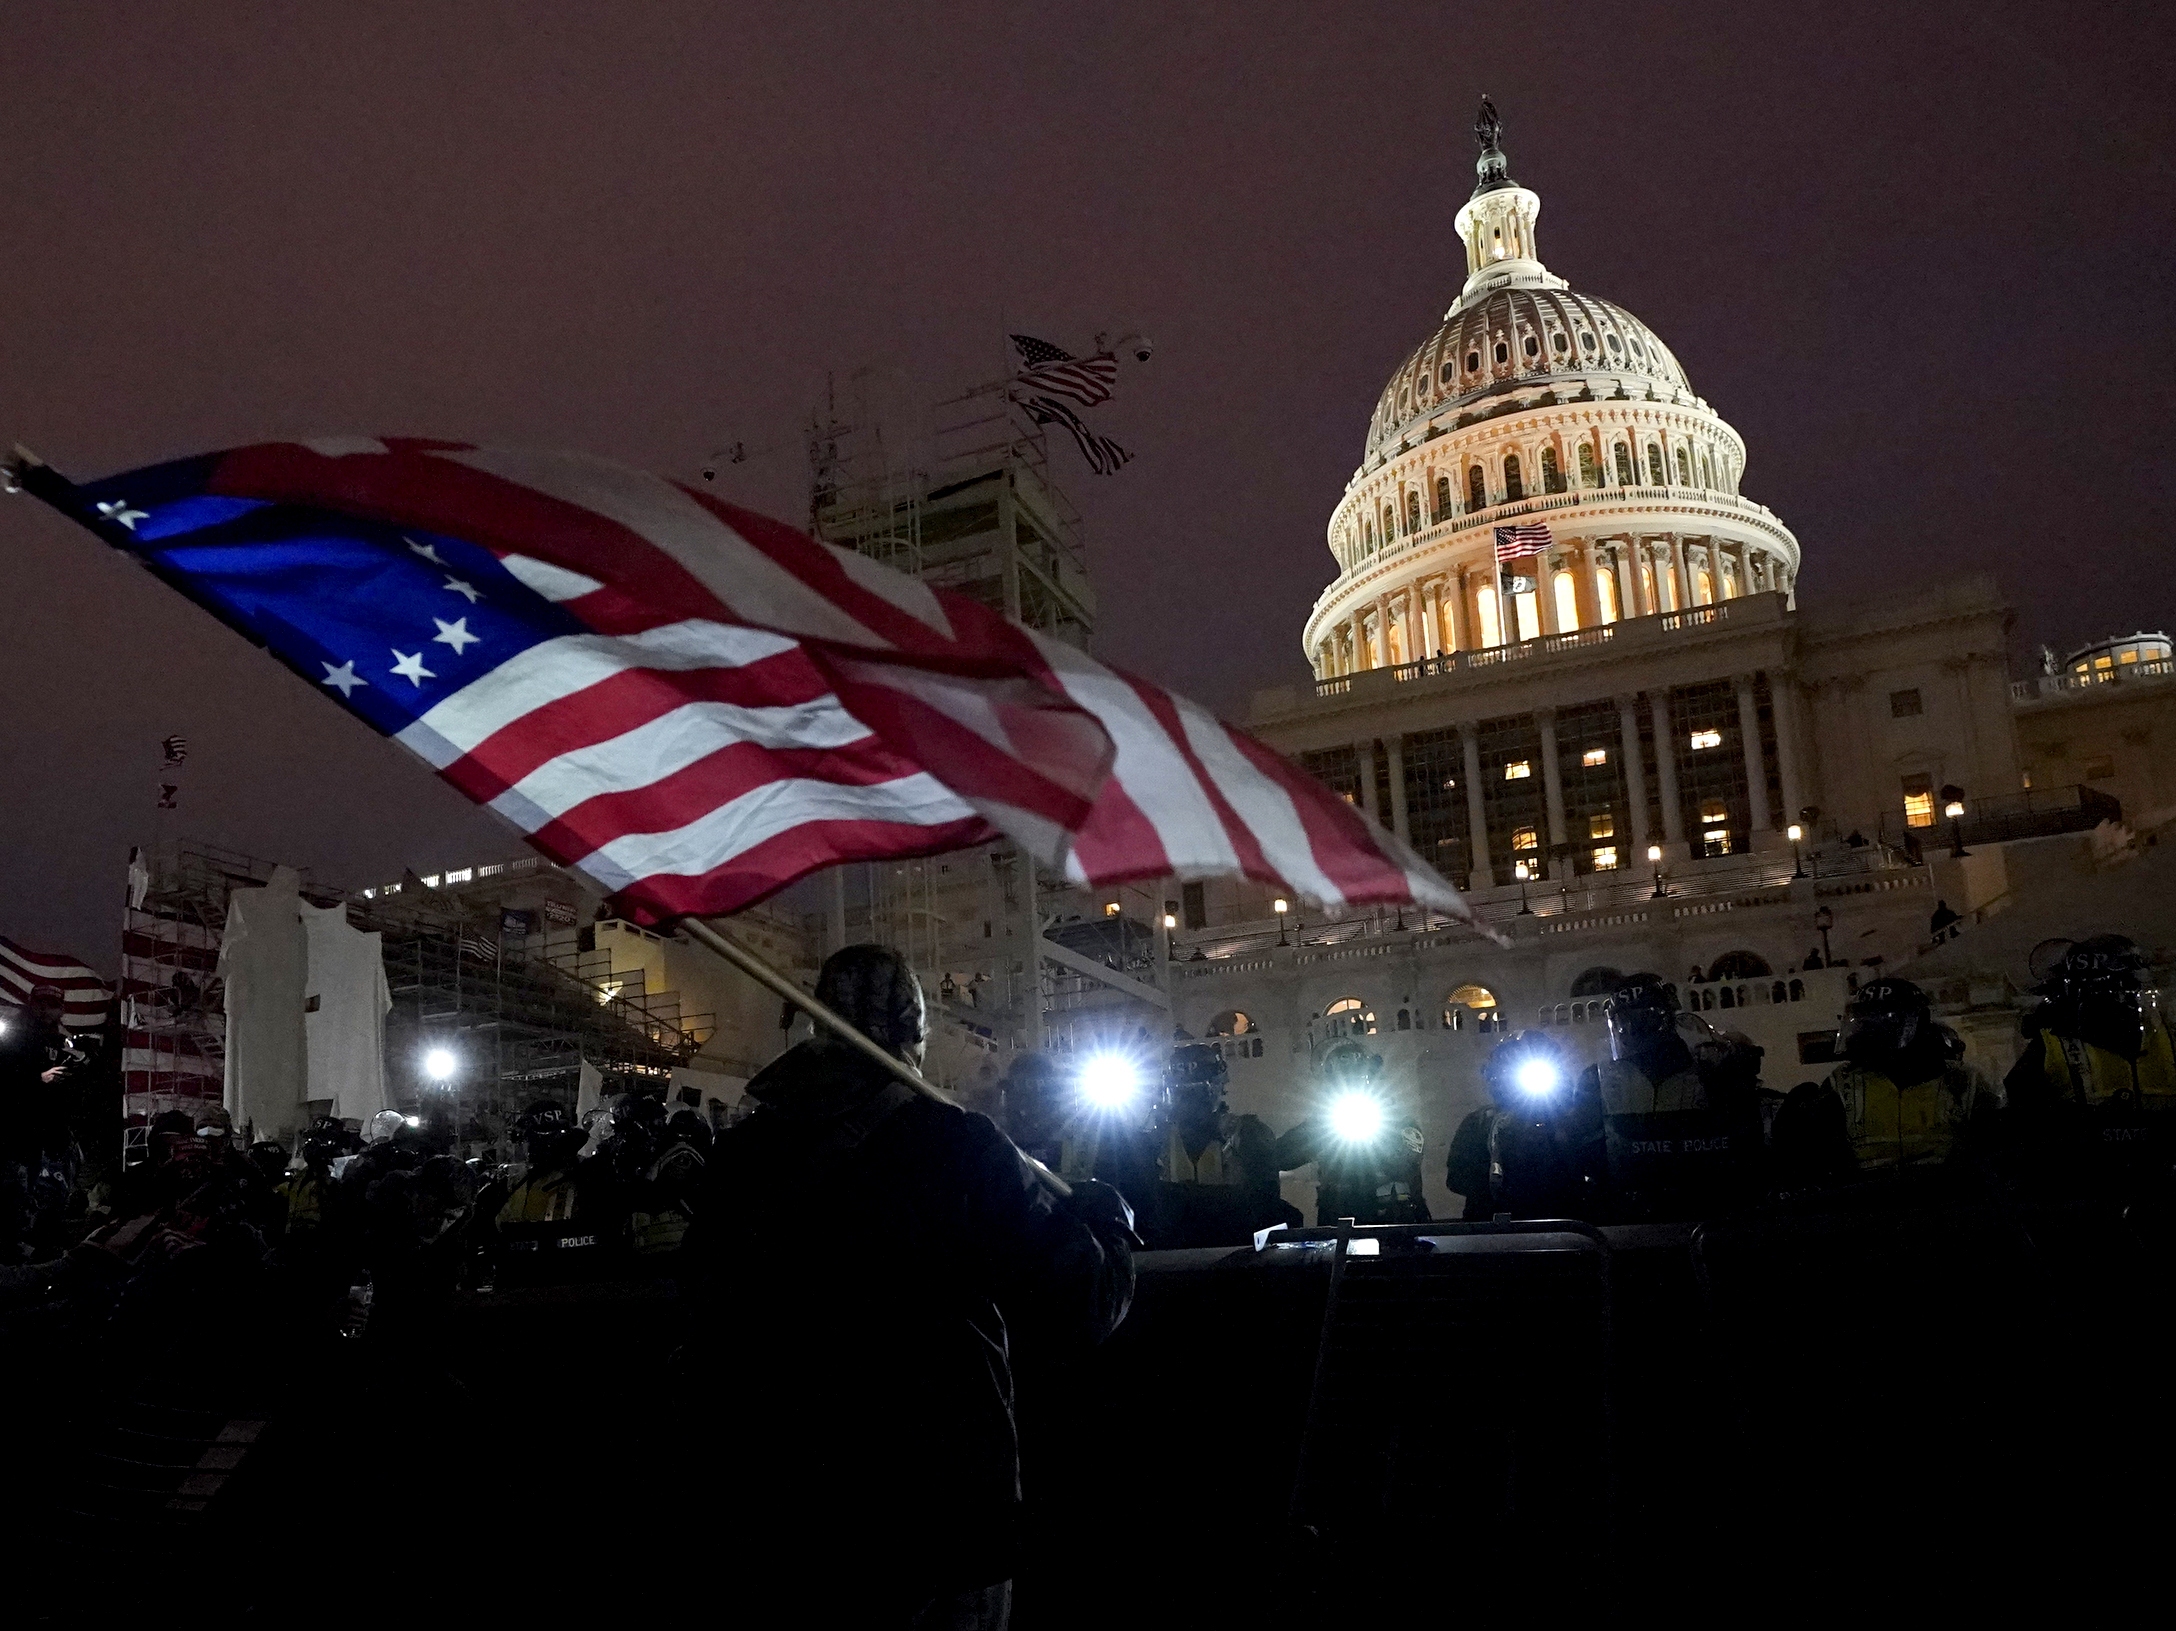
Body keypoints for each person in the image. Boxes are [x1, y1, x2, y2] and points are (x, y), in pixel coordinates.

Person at [686, 944, 1135, 1626]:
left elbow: (705, 1307)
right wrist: (1107, 1219)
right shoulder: (960, 1145)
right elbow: (1081, 1301)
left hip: (784, 1510)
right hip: (943, 1518)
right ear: (915, 1034)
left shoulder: (742, 1160)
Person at [2005, 935, 2175, 1203]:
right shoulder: (2050, 1047)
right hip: (2087, 1198)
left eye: (2133, 992)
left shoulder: (2169, 1039)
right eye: (2119, 993)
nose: (2128, 1003)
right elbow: (2024, 1141)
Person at [1777, 977, 1999, 1181]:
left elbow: (1988, 1150)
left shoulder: (1962, 1082)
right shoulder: (1842, 1083)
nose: (1870, 1030)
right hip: (1867, 1205)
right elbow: (1822, 1158)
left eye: (1884, 1019)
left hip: (1946, 1202)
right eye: (1864, 1020)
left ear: (1918, 1022)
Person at [1582, 973, 1764, 1219]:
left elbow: (1743, 1150)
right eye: (1622, 1023)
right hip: (1633, 1214)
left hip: (1706, 1210)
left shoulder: (1712, 1070)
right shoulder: (1599, 1079)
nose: (1628, 1032)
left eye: (1638, 1021)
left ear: (1663, 1019)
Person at [1445, 1030, 1603, 1220]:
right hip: (1497, 1229)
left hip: (1561, 1225)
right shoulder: (1479, 1123)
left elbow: (1593, 1169)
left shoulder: (1571, 1122)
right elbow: (1456, 1178)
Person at [1277, 1043, 1430, 1226]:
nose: (1350, 1085)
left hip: (1394, 1222)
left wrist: (1377, 1141)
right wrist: (1318, 1130)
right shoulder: (1324, 1124)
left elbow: (1408, 1162)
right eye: (1341, 1080)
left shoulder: (1398, 1120)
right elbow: (1282, 1157)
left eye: (1356, 1077)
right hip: (1342, 1222)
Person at [1148, 1043, 1286, 1244]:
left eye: (1196, 1092)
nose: (1187, 1102)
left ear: (1215, 1088)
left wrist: (1184, 1199)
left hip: (1234, 1256)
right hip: (1175, 1261)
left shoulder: (1247, 1134)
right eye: (1182, 1093)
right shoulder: (1156, 1141)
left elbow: (1265, 1207)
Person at [0, 987, 86, 1261]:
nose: (47, 1009)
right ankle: (11, 1249)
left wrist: (80, 1064)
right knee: (15, 1189)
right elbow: (6, 1077)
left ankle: (40, 1244)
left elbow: (79, 1081)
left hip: (50, 1132)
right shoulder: (14, 1032)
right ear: (32, 1003)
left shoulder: (61, 1040)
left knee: (48, 1193)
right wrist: (40, 1078)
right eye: (42, 1003)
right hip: (15, 1129)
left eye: (53, 1004)